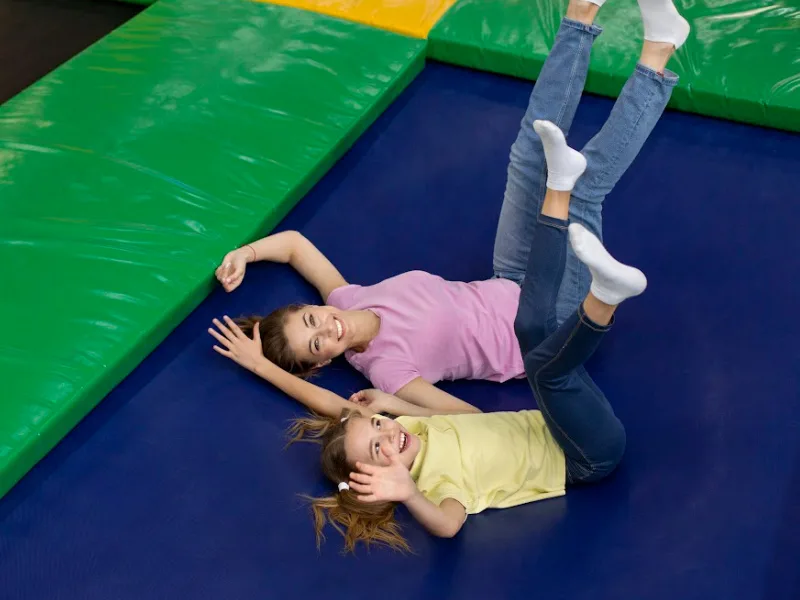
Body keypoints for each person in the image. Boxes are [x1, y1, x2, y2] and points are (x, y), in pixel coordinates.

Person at [208, 0, 689, 552]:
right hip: (548, 317)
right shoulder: (387, 372)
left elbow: (295, 246)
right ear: (321, 363)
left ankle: (579, 18)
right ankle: (657, 57)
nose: (327, 329)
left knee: (528, 155)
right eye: (316, 344)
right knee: (586, 188)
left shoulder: (348, 296)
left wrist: (245, 252)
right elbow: (459, 418)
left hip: (507, 278)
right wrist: (290, 377)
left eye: (313, 318)